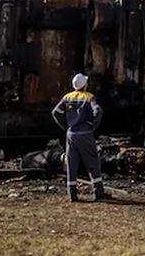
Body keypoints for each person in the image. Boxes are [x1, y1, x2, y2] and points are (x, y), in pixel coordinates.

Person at [51, 73, 106, 202]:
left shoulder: (67, 97)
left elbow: (55, 112)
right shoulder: (89, 97)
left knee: (72, 162)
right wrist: (93, 125)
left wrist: (66, 126)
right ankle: (98, 193)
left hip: (71, 135)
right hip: (85, 134)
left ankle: (72, 195)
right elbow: (98, 110)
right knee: (92, 162)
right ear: (85, 85)